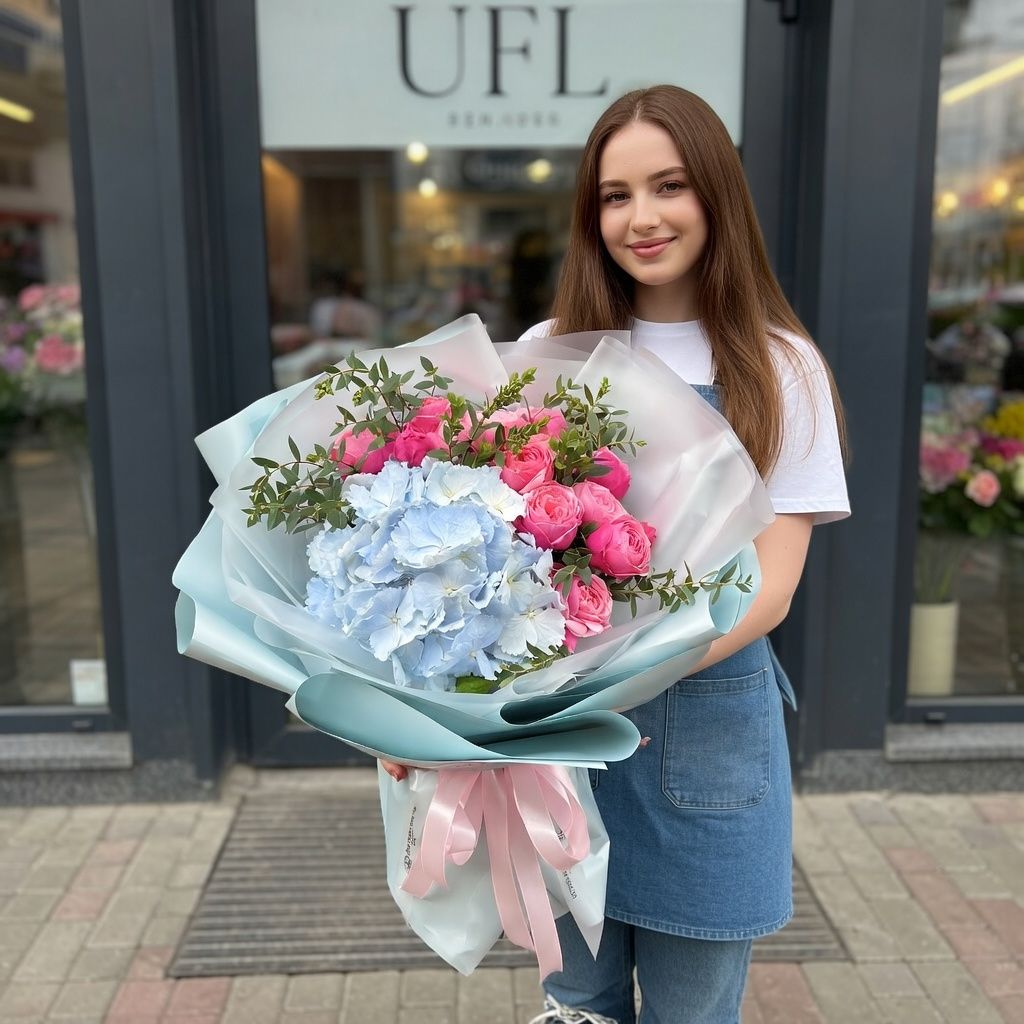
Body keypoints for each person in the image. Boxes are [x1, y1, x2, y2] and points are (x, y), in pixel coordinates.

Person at [383, 84, 851, 1024]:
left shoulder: (780, 366)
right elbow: (483, 557)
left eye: (669, 186)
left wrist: (603, 678)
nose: (642, 218)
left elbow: (769, 591)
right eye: (615, 195)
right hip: (567, 751)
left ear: (717, 194)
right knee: (579, 1004)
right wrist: (425, 708)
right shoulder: (550, 351)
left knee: (693, 1009)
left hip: (705, 736)